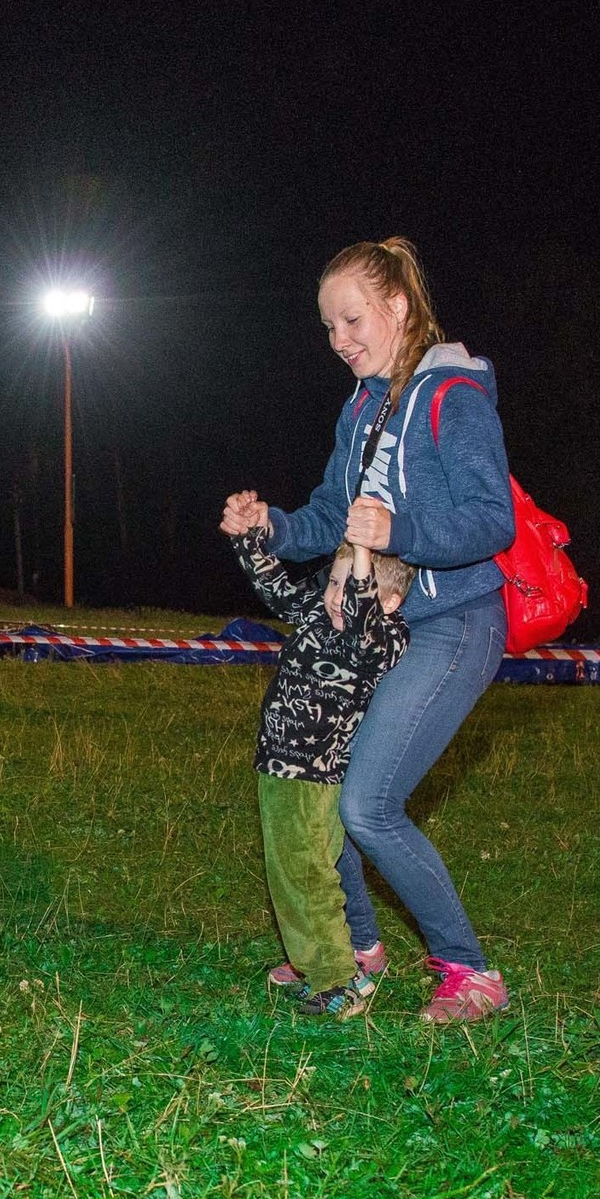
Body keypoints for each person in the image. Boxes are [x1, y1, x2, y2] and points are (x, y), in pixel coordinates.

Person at [223, 239, 516, 1023]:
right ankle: (360, 945)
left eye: (351, 319)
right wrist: (270, 526)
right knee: (322, 785)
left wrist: (399, 528)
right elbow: (329, 513)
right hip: (373, 634)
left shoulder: (455, 398)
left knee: (368, 805)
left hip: (455, 624)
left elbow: (493, 521)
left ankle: (471, 970)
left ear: (398, 307)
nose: (339, 340)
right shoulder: (361, 407)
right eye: (327, 327)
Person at [226, 525, 413, 1015]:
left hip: (313, 775)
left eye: (349, 587)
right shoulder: (315, 613)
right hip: (277, 766)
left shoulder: (386, 636)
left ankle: (337, 979)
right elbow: (276, 586)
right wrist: (247, 537)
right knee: (297, 873)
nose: (335, 596)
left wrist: (362, 570)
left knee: (304, 877)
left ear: (384, 599)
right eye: (333, 582)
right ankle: (324, 965)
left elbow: (363, 627)